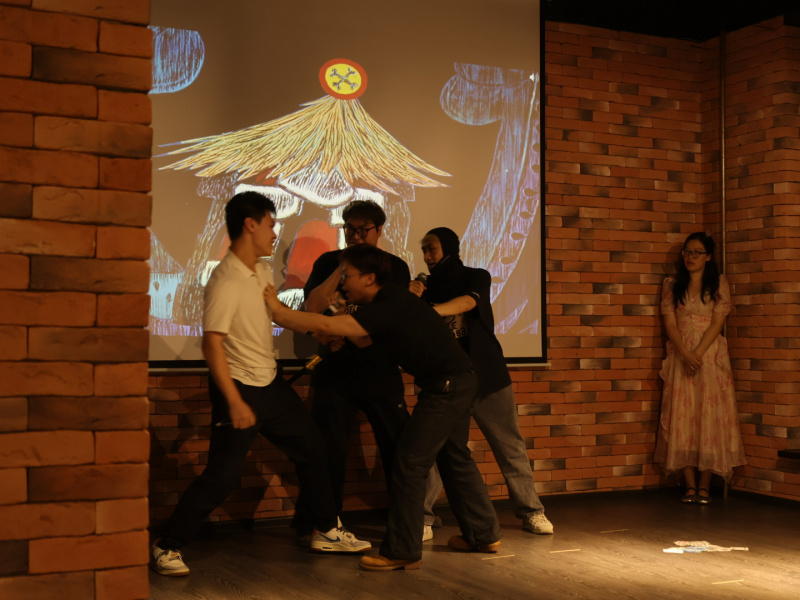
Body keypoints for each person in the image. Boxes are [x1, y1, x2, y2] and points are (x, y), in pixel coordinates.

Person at [151, 191, 370, 577]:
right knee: (223, 477)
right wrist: (234, 401)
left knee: (314, 449)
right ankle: (166, 545)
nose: (274, 233)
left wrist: (322, 330)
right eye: (271, 225)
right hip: (240, 387)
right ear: (250, 225)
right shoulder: (226, 280)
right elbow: (211, 344)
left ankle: (325, 529)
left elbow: (279, 315)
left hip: (270, 383)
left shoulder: (262, 271)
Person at [264, 243, 502, 571]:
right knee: (454, 456)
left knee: (409, 461)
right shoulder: (384, 302)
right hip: (457, 381)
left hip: (448, 386)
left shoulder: (389, 302)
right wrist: (339, 323)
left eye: (346, 275)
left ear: (369, 278)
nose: (342, 282)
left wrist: (277, 311)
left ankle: (402, 550)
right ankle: (483, 534)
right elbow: (361, 338)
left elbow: (329, 326)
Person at [408, 228, 554, 538]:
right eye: (424, 250)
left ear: (448, 247)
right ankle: (423, 517)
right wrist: (411, 299)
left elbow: (466, 303)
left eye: (432, 248)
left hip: (488, 376)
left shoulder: (476, 276)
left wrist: (428, 311)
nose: (427, 255)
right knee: (437, 449)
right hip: (446, 382)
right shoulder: (422, 288)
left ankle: (532, 511)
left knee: (509, 444)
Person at [293, 200, 412, 539]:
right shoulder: (328, 262)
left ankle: (407, 520)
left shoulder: (395, 266)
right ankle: (325, 525)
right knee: (328, 451)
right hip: (335, 371)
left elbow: (389, 318)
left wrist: (344, 325)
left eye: (364, 229)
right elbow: (313, 308)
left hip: (380, 368)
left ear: (379, 230)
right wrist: (342, 267)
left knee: (398, 447)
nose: (356, 235)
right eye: (350, 229)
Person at [655, 232, 746, 504]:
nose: (690, 257)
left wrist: (698, 353)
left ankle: (705, 484)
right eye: (687, 251)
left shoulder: (718, 283)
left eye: (696, 252)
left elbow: (717, 323)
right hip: (681, 354)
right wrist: (685, 353)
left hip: (710, 354)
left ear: (708, 256)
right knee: (681, 414)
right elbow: (670, 323)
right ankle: (690, 484)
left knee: (710, 414)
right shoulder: (672, 285)